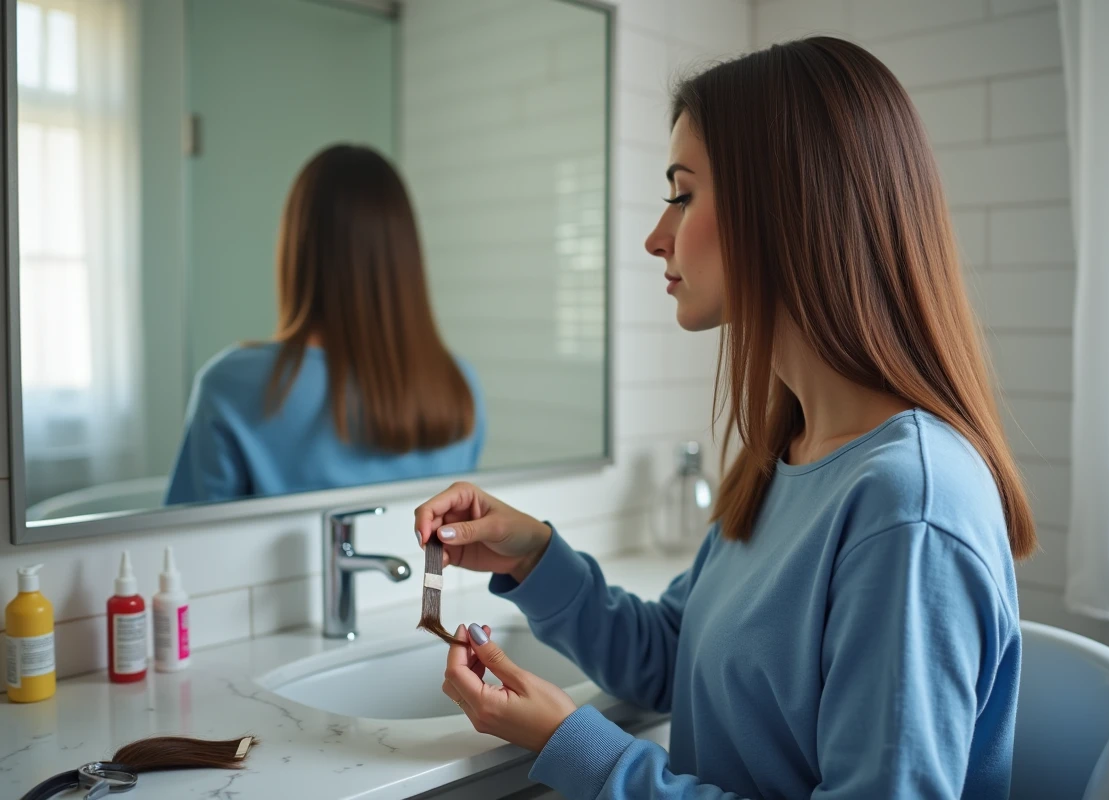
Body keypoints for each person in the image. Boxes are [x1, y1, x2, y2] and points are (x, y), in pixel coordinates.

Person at [415, 37, 1032, 799]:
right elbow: (678, 656)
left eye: (683, 193)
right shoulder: (789, 455)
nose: (656, 235)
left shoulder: (909, 509)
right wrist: (532, 556)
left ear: (787, 209)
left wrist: (580, 748)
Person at [166, 145, 484, 504]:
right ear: (406, 258)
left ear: (296, 249)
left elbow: (184, 547)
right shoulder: (458, 385)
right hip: (420, 563)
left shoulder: (231, 385)